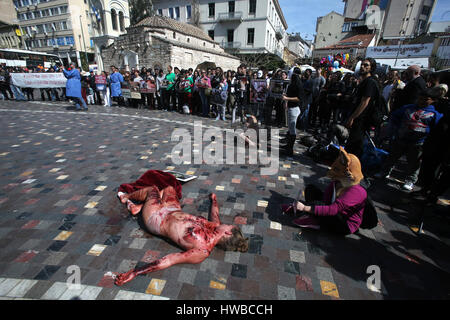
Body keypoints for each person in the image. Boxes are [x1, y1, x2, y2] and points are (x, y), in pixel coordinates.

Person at [114, 189, 248, 286]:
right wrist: (214, 200)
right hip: (172, 210)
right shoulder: (215, 226)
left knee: (152, 189)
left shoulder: (202, 251)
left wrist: (135, 272)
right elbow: (215, 213)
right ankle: (139, 207)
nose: (226, 224)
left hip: (156, 218)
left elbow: (170, 260)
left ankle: (126, 198)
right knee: (169, 189)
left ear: (228, 233)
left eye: (229, 226)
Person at [284, 147, 367, 235]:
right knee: (311, 189)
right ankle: (311, 215)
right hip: (334, 210)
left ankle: (315, 220)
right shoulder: (338, 182)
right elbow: (326, 199)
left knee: (319, 206)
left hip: (344, 223)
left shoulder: (357, 191)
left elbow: (334, 209)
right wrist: (314, 207)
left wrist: (305, 208)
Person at [375, 88, 443, 191]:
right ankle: (384, 172)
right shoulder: (408, 108)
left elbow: (437, 129)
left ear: (433, 100)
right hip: (401, 138)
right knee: (392, 157)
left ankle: (410, 180)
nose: (422, 101)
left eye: (426, 99)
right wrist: (394, 130)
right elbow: (395, 117)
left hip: (418, 143)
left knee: (414, 163)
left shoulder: (435, 114)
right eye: (420, 98)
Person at [344, 57, 380, 159]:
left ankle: (354, 170)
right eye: (362, 65)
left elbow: (365, 102)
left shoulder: (370, 82)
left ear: (371, 68)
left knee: (355, 146)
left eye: (366, 65)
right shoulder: (364, 82)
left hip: (362, 120)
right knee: (352, 145)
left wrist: (352, 118)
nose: (363, 67)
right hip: (358, 119)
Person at [281, 67, 304, 157]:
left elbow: (299, 98)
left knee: (292, 130)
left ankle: (289, 149)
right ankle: (288, 147)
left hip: (294, 108)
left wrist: (287, 98)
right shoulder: (293, 84)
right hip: (292, 108)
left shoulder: (298, 85)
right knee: (290, 129)